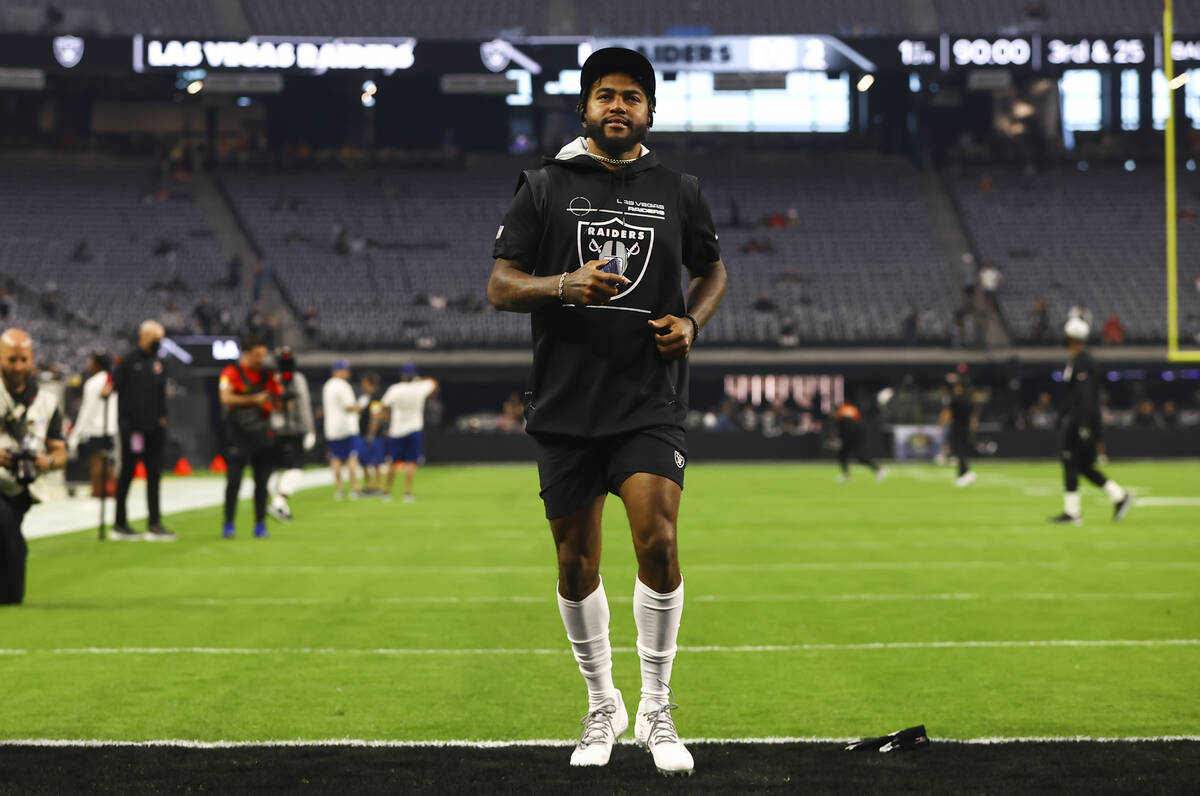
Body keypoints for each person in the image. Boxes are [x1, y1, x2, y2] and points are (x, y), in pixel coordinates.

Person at [487, 47, 728, 775]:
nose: (617, 107)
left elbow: (711, 268)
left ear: (649, 111)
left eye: (631, 97)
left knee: (657, 541)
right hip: (564, 400)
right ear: (584, 109)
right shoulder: (544, 185)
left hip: (647, 399)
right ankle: (603, 705)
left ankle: (656, 707)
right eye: (604, 96)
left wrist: (694, 324)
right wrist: (562, 284)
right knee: (575, 563)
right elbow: (500, 285)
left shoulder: (679, 189)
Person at [0, 330, 68, 605]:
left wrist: (47, 462)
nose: (18, 367)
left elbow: (60, 450)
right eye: (12, 359)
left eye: (23, 360)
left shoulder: (46, 401)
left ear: (32, 360)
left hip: (22, 488)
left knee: (12, 593)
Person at [1050, 318, 1132, 525]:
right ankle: (1120, 497)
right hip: (1081, 418)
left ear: (1070, 336)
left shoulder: (1082, 360)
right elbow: (1075, 395)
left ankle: (1073, 514)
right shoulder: (1078, 358)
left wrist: (1084, 425)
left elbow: (1085, 395)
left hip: (1081, 420)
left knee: (1070, 460)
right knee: (1084, 466)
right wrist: (1061, 417)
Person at [111, 320, 175, 541]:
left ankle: (154, 524)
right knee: (127, 473)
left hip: (154, 430)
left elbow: (161, 394)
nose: (159, 342)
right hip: (134, 431)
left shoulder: (159, 362)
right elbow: (112, 386)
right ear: (144, 337)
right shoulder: (129, 361)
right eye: (156, 338)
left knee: (154, 476)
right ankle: (120, 524)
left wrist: (163, 417)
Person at [218, 334, 282, 539]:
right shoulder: (232, 372)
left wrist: (274, 399)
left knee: (262, 483)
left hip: (262, 435)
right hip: (238, 435)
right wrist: (255, 399)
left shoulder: (269, 375)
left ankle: (260, 524)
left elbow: (279, 402)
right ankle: (229, 523)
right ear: (245, 354)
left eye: (263, 355)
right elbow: (226, 398)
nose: (260, 360)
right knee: (234, 481)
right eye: (256, 355)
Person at [266, 347, 316, 522]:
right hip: (290, 431)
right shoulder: (291, 379)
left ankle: (279, 504)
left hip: (278, 430)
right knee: (295, 469)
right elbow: (304, 405)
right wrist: (309, 430)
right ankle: (279, 502)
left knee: (278, 469)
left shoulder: (275, 379)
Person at [379, 364, 437, 503]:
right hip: (414, 429)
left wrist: (387, 418)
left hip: (397, 430)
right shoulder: (420, 388)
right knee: (411, 462)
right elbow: (433, 382)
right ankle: (407, 493)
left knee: (392, 461)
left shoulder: (395, 389)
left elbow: (383, 406)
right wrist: (419, 380)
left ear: (402, 376)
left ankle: (387, 492)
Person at [66, 350, 117, 499]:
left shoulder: (92, 383)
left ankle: (97, 491)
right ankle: (113, 490)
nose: (88, 364)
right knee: (107, 462)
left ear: (97, 363)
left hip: (95, 429)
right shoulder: (111, 379)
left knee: (96, 461)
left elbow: (86, 410)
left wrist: (76, 432)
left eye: (91, 361)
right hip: (110, 428)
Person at [322, 359, 361, 500]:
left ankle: (339, 490)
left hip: (331, 428)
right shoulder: (343, 385)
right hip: (346, 428)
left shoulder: (327, 385)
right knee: (351, 458)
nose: (348, 373)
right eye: (345, 370)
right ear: (339, 371)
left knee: (336, 459)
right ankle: (355, 488)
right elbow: (349, 407)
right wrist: (360, 406)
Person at [833, 402, 886, 483]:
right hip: (857, 434)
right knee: (843, 454)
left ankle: (879, 469)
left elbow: (847, 431)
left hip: (855, 436)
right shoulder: (847, 412)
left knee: (859, 456)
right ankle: (846, 475)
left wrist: (840, 441)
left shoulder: (842, 418)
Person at [940, 378, 977, 486]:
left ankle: (965, 473)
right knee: (962, 451)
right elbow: (973, 417)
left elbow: (948, 413)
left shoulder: (955, 400)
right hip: (965, 429)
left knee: (958, 451)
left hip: (956, 428)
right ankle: (962, 474)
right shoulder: (969, 400)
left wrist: (942, 424)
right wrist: (972, 429)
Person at [356, 372, 386, 496]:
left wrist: (371, 433)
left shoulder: (375, 398)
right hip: (363, 434)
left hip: (373, 435)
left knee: (377, 462)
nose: (362, 384)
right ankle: (369, 486)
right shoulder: (364, 397)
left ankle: (378, 486)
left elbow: (376, 416)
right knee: (364, 461)